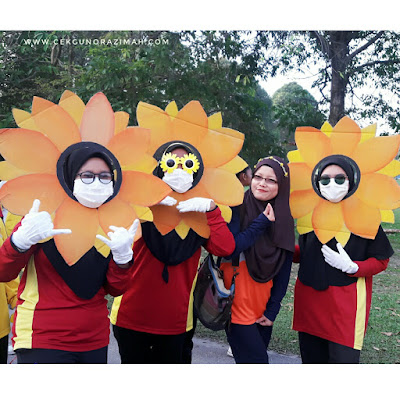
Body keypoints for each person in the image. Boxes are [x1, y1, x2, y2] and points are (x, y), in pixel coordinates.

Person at [0, 145, 139, 364]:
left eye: (104, 176)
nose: (96, 182)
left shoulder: (113, 221)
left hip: (94, 339)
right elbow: (3, 271)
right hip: (42, 337)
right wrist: (19, 242)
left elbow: (115, 288)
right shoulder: (41, 216)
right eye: (87, 175)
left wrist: (123, 260)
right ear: (70, 176)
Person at [111, 142, 236, 363]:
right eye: (171, 163)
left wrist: (211, 210)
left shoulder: (200, 211)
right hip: (130, 316)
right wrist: (146, 202)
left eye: (186, 164)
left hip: (176, 321)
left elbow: (225, 248)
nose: (178, 170)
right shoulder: (137, 204)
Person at [292, 155, 394, 363]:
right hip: (309, 305)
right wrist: (277, 247)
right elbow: (305, 253)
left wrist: (353, 266)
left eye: (339, 179)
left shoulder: (366, 216)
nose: (332, 184)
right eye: (325, 179)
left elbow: (381, 261)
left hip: (344, 310)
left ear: (351, 181)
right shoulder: (309, 213)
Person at [221, 156, 295, 363]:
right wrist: (260, 223)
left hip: (262, 309)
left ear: (282, 185)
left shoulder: (284, 219)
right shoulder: (236, 207)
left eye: (271, 180)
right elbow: (229, 249)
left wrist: (272, 311)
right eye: (258, 177)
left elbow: (283, 270)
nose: (262, 183)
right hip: (235, 303)